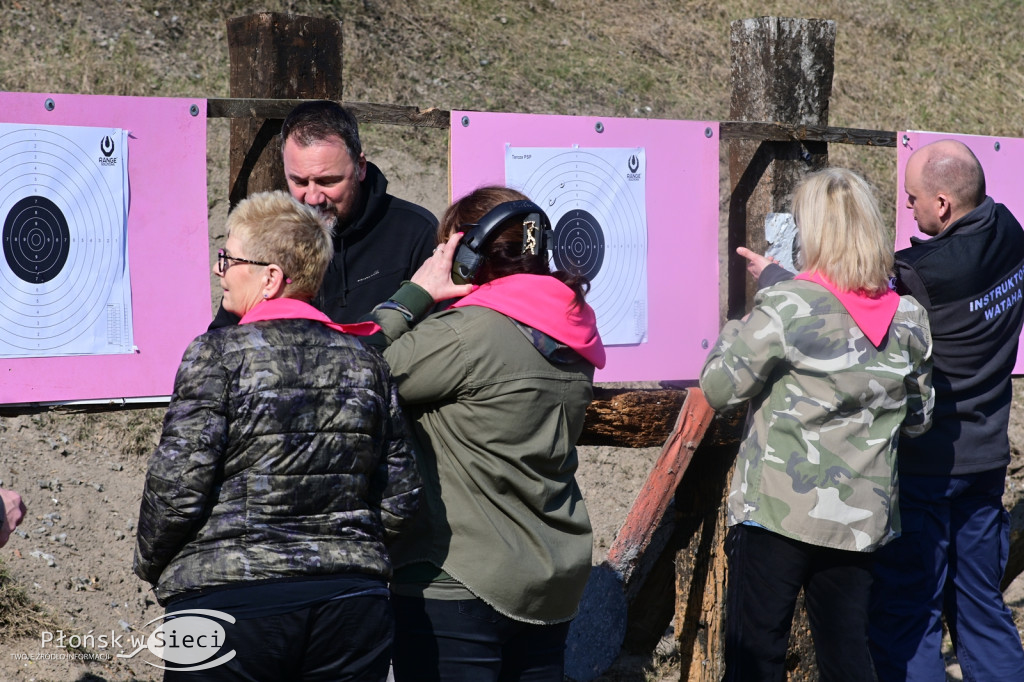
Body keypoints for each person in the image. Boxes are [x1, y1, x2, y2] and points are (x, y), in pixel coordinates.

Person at [134, 190, 420, 681]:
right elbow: (402, 494)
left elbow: (177, 489)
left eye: (230, 258)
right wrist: (350, 550)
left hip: (230, 602)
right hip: (351, 605)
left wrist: (152, 561)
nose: (220, 270)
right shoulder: (366, 362)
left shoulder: (217, 355)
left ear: (271, 278)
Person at [701, 167, 934, 681]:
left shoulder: (785, 308)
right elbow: (918, 421)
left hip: (776, 514)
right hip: (858, 522)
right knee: (848, 657)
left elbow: (720, 387)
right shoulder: (910, 320)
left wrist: (742, 322)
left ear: (815, 233)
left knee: (754, 657)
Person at [366, 186, 605, 681]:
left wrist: (414, 294)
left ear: (464, 255)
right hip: (550, 582)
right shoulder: (573, 332)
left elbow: (350, 373)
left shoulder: (464, 334)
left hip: (459, 581)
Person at [864, 140, 1024, 680]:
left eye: (912, 201)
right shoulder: (1010, 232)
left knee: (909, 621)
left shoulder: (919, 274)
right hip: (985, 460)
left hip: (927, 468)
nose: (907, 210)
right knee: (982, 612)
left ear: (943, 204)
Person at [209, 100, 437, 328]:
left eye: (327, 181)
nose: (313, 198)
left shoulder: (414, 233)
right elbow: (221, 337)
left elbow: (434, 338)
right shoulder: (268, 235)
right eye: (298, 181)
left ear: (360, 166)